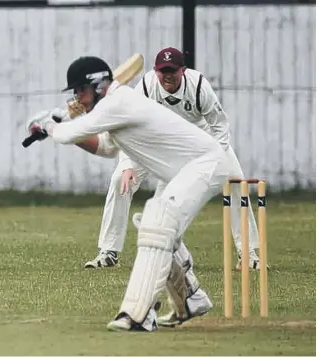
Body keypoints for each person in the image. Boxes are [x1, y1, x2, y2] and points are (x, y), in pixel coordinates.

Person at [26, 56, 230, 331]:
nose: (78, 97)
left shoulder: (117, 102)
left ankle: (139, 314)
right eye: (74, 92)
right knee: (154, 227)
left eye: (80, 90)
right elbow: (106, 147)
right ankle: (191, 298)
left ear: (98, 85)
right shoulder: (113, 107)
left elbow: (67, 133)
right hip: (188, 170)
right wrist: (55, 127)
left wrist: (50, 125)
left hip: (206, 164)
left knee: (158, 223)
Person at [84, 48, 262, 272]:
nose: (167, 75)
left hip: (200, 139)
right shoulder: (147, 87)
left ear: (183, 70)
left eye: (172, 71)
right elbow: (126, 126)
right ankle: (109, 252)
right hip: (156, 140)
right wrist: (128, 164)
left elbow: (220, 127)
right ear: (155, 71)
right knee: (120, 179)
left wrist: (214, 159)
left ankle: (248, 253)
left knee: (236, 181)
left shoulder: (198, 86)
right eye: (162, 71)